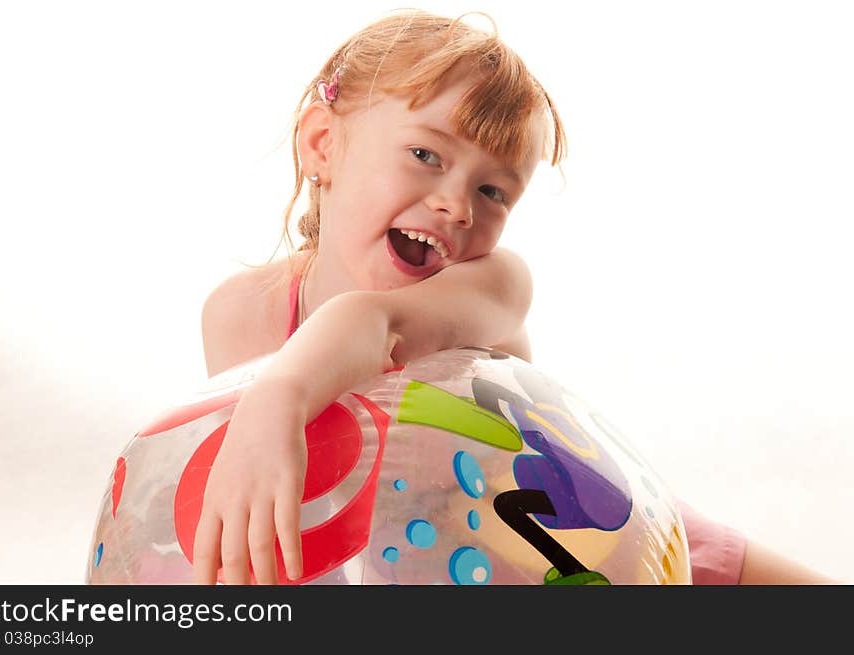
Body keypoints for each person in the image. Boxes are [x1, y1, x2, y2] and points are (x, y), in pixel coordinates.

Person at [193, 9, 837, 586]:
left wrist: (277, 397)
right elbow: (261, 503)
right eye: (425, 154)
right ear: (322, 144)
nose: (457, 206)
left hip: (601, 538)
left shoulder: (495, 285)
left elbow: (371, 323)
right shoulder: (242, 316)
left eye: (494, 192)